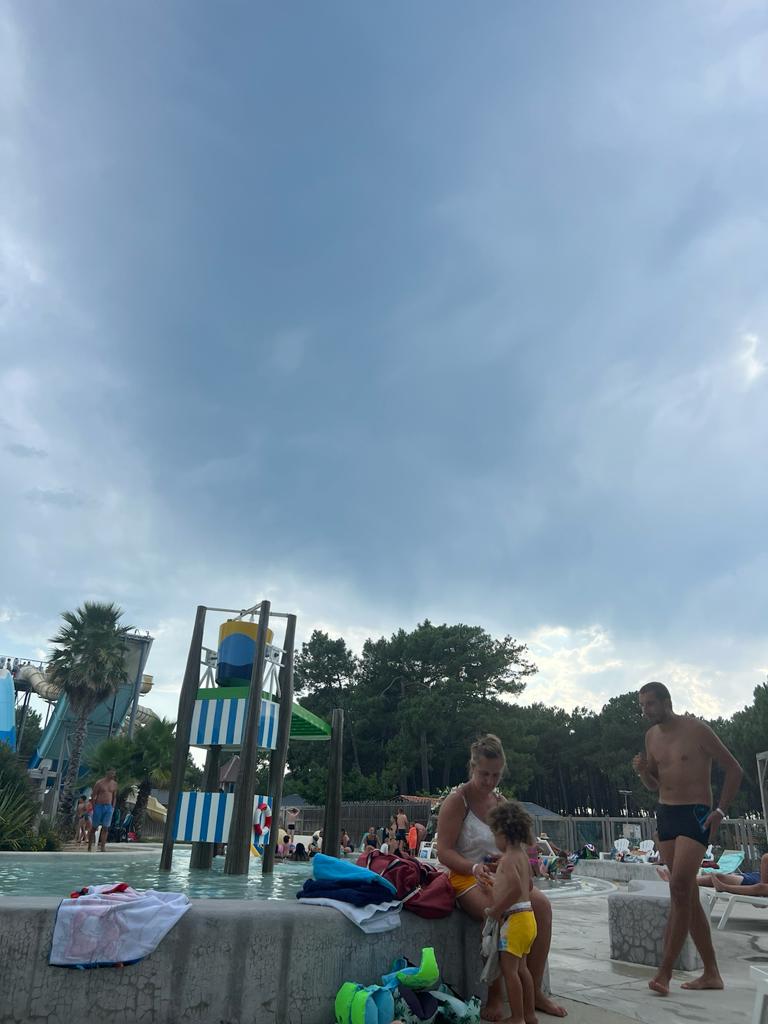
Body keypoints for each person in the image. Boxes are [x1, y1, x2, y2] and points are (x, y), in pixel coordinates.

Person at [437, 734, 565, 1020]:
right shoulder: (457, 801)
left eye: (495, 775)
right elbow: (443, 851)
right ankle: (495, 996)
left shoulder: (500, 802)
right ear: (473, 767)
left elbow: (519, 843)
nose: (490, 781)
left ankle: (534, 993)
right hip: (465, 875)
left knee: (542, 906)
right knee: (498, 911)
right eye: (484, 774)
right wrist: (473, 868)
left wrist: (511, 860)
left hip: (499, 874)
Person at [633, 681, 742, 996]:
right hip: (666, 813)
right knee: (687, 895)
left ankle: (664, 972)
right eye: (642, 706)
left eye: (650, 704)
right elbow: (655, 785)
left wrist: (720, 810)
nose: (645, 711)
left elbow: (734, 769)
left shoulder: (697, 730)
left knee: (679, 886)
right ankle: (712, 973)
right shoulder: (651, 737)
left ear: (666, 701)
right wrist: (643, 772)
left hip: (696, 813)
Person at [486, 800, 538, 1024]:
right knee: (523, 969)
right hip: (529, 918)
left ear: (503, 834)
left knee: (510, 971)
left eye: (494, 835)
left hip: (514, 921)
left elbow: (515, 888)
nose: (494, 840)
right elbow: (528, 886)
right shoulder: (523, 857)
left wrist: (495, 911)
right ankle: (530, 1014)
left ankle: (517, 1017)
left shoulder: (507, 860)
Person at [657, 853, 768, 894]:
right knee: (718, 877)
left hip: (762, 884)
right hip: (758, 877)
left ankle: (724, 888)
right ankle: (678, 880)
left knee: (761, 887)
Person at [89, 768, 118, 852]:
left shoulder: (114, 784)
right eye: (111, 773)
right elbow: (93, 795)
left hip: (108, 807)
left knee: (106, 827)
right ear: (107, 773)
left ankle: (102, 847)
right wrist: (94, 806)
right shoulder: (99, 783)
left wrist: (113, 807)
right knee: (94, 827)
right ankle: (89, 846)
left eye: (114, 773)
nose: (113, 775)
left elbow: (114, 796)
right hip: (99, 806)